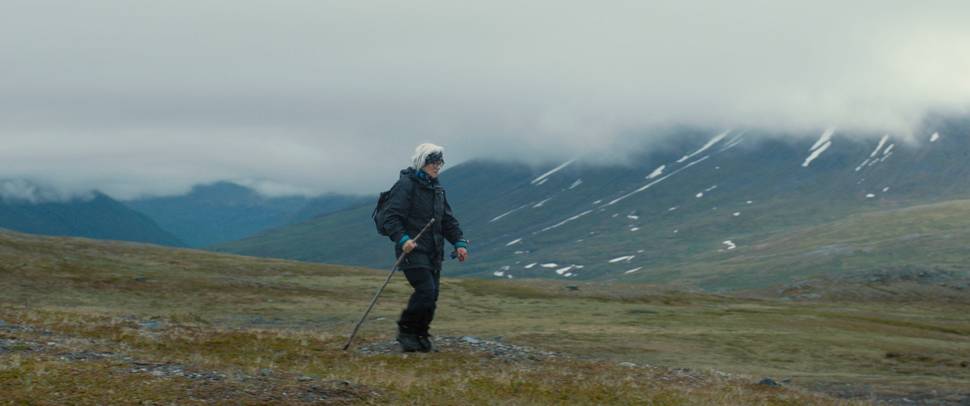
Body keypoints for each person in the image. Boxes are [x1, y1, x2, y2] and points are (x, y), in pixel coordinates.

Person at [382, 143, 468, 352]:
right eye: (433, 162)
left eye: (439, 163)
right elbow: (390, 217)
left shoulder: (437, 190)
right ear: (422, 162)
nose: (437, 167)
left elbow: (447, 220)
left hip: (434, 252)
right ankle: (407, 331)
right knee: (426, 290)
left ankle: (421, 335)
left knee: (433, 294)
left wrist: (459, 242)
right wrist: (403, 240)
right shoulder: (406, 186)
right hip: (412, 250)